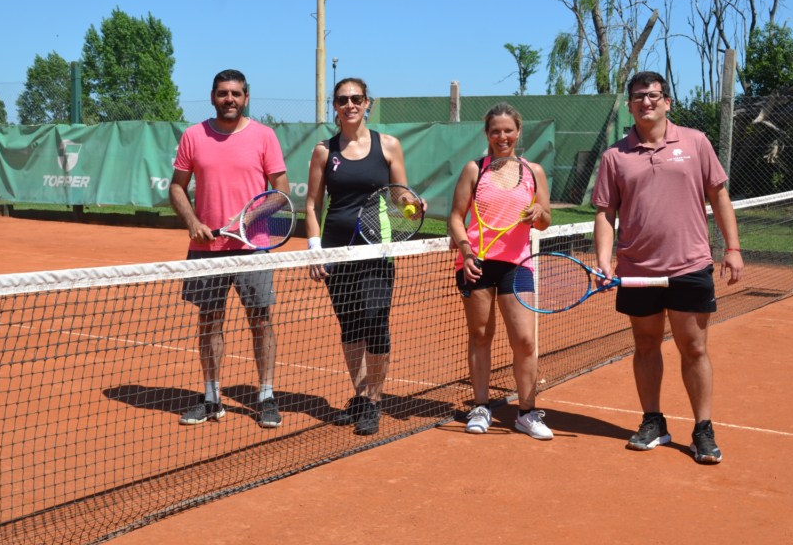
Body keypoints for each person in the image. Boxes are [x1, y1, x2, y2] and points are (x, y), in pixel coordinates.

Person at [591, 71, 742, 464]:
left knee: (693, 348)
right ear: (630, 105)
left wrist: (733, 247)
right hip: (637, 267)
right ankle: (653, 421)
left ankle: (702, 430)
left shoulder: (695, 142)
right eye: (639, 97)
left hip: (690, 264)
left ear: (667, 101)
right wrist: (604, 261)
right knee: (645, 345)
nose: (646, 102)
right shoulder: (615, 156)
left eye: (654, 95)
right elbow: (606, 214)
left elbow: (719, 195)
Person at [304, 77, 426, 436]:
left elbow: (399, 196)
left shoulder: (388, 145)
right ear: (335, 106)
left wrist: (413, 207)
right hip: (336, 250)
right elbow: (311, 204)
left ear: (367, 102)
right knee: (351, 327)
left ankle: (374, 399)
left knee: (375, 323)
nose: (350, 105)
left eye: (356, 98)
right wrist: (315, 251)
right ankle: (358, 396)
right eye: (343, 100)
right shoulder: (324, 151)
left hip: (377, 250)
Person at [169, 69, 290, 429]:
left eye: (236, 93)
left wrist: (249, 220)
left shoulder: (264, 136)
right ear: (212, 97)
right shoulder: (193, 136)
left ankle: (266, 396)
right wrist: (192, 222)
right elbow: (177, 188)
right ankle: (210, 399)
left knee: (261, 321)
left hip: (253, 247)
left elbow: (280, 193)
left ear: (246, 98)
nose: (230, 99)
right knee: (208, 323)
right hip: (205, 249)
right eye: (223, 93)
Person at [447, 103, 554, 440]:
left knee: (524, 340)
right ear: (487, 134)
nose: (502, 136)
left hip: (518, 264)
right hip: (476, 264)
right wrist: (466, 253)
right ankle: (481, 408)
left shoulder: (534, 171)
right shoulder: (474, 170)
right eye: (495, 131)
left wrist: (539, 210)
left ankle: (526, 412)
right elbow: (454, 217)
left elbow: (546, 219)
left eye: (508, 130)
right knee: (480, 336)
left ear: (518, 132)